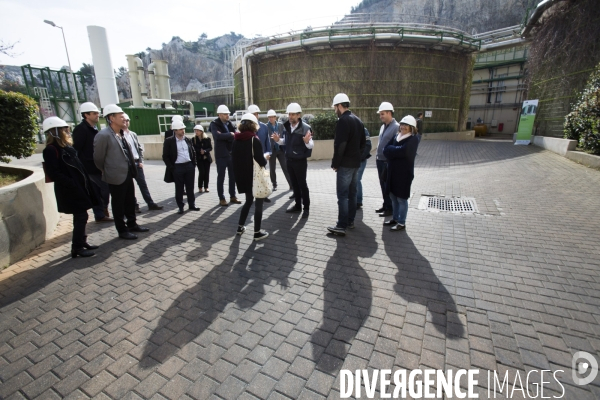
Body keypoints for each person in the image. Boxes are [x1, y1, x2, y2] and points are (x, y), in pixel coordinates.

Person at [42, 117, 99, 257]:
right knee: (81, 216)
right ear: (54, 132)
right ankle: (77, 248)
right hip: (70, 190)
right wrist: (72, 183)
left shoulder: (66, 147)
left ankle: (81, 242)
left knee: (82, 216)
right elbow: (54, 173)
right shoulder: (51, 150)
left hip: (78, 187)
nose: (67, 131)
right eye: (63, 129)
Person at [93, 104, 149, 240]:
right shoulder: (104, 135)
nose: (124, 118)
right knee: (118, 204)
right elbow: (98, 158)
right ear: (111, 118)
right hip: (115, 176)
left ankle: (132, 224)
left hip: (128, 173)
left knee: (130, 201)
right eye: (120, 116)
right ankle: (122, 230)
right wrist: (107, 170)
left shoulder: (122, 133)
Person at [327, 94, 366, 236]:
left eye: (335, 107)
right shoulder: (357, 120)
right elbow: (364, 143)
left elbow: (340, 145)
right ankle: (350, 221)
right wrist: (358, 157)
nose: (334, 110)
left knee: (343, 195)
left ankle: (341, 225)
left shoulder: (343, 121)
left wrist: (336, 163)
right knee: (352, 192)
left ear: (339, 106)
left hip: (345, 165)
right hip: (356, 164)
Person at [72, 102, 113, 223]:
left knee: (104, 190)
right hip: (89, 167)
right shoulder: (81, 130)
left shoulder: (95, 128)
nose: (97, 115)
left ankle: (102, 210)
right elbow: (77, 149)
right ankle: (100, 214)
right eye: (94, 113)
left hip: (99, 165)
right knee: (98, 190)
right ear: (86, 115)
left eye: (97, 113)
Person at [271, 103, 313, 219]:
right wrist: (278, 140)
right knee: (294, 184)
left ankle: (306, 208)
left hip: (300, 162)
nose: (290, 116)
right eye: (289, 114)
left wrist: (306, 141)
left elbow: (311, 145)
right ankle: (298, 206)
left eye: (293, 114)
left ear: (299, 115)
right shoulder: (287, 127)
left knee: (302, 185)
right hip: (289, 160)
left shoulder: (305, 128)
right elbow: (286, 142)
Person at [232, 113, 269, 241]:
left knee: (248, 201)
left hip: (243, 177)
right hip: (255, 176)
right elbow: (261, 161)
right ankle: (257, 232)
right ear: (253, 125)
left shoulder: (236, 139)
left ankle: (240, 227)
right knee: (259, 203)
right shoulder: (254, 140)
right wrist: (266, 158)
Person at [383, 115, 420, 231]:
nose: (403, 127)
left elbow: (404, 152)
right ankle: (395, 218)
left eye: (406, 125)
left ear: (411, 127)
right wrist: (395, 152)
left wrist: (392, 151)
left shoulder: (413, 139)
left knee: (402, 199)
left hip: (404, 174)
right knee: (393, 196)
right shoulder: (396, 136)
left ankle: (402, 222)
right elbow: (385, 149)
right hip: (392, 172)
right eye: (402, 125)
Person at [123, 113, 163, 212]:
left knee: (143, 185)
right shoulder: (118, 135)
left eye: (127, 120)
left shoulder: (133, 134)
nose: (126, 123)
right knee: (129, 187)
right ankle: (134, 205)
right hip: (127, 165)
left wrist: (141, 161)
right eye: (124, 121)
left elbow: (139, 149)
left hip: (137, 164)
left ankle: (150, 203)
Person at [162, 119, 200, 214]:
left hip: (189, 166)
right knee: (179, 188)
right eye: (180, 129)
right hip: (177, 167)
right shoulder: (169, 141)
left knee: (190, 187)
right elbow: (165, 156)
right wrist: (172, 168)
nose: (183, 131)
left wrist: (193, 164)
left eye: (183, 129)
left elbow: (193, 152)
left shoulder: (187, 139)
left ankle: (192, 204)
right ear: (175, 130)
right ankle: (180, 206)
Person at [210, 105, 241, 207]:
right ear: (219, 115)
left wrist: (228, 135)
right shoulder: (214, 124)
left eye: (228, 114)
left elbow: (235, 135)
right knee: (221, 177)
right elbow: (217, 136)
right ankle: (222, 198)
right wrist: (230, 135)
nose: (227, 115)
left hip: (231, 154)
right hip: (221, 155)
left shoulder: (229, 123)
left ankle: (233, 196)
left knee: (232, 177)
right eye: (225, 114)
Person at [375, 102, 399, 217]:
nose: (381, 116)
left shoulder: (396, 127)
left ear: (389, 113)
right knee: (382, 184)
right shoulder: (383, 126)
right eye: (380, 114)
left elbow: (396, 146)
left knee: (387, 185)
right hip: (379, 160)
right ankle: (386, 205)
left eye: (383, 114)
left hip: (387, 161)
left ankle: (390, 208)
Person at [248, 105, 272, 203]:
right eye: (254, 114)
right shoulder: (247, 128)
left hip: (262, 157)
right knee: (252, 177)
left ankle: (264, 195)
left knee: (263, 176)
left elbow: (267, 141)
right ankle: (252, 195)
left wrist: (268, 153)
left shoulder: (264, 127)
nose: (256, 116)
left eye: (257, 114)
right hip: (250, 158)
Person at [266, 109, 291, 191]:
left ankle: (291, 184)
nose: (271, 119)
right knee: (272, 168)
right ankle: (274, 184)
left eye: (272, 117)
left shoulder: (280, 125)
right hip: (272, 150)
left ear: (275, 117)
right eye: (269, 117)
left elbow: (284, 135)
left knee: (285, 167)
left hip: (280, 149)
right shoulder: (266, 126)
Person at [191, 124, 212, 193]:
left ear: (201, 131)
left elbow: (210, 148)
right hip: (199, 158)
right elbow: (193, 148)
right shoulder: (193, 140)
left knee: (206, 173)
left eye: (197, 131)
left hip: (207, 158)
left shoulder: (207, 139)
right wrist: (200, 151)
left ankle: (206, 187)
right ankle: (200, 187)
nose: (196, 132)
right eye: (195, 131)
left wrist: (205, 151)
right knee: (202, 172)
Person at [356, 127, 372, 209]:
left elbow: (368, 145)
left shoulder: (363, 129)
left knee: (357, 180)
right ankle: (354, 200)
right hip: (353, 161)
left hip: (360, 160)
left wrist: (361, 157)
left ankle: (358, 201)